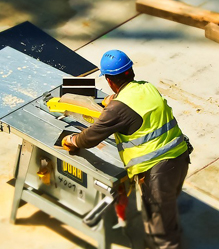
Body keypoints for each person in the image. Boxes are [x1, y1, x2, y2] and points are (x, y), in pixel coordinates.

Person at [62, 49, 191, 249]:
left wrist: (72, 140)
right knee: (165, 213)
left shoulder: (118, 109)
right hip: (180, 158)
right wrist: (114, 100)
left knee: (161, 233)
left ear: (109, 80)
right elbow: (137, 106)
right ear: (130, 71)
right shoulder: (147, 88)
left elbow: (90, 137)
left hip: (157, 171)